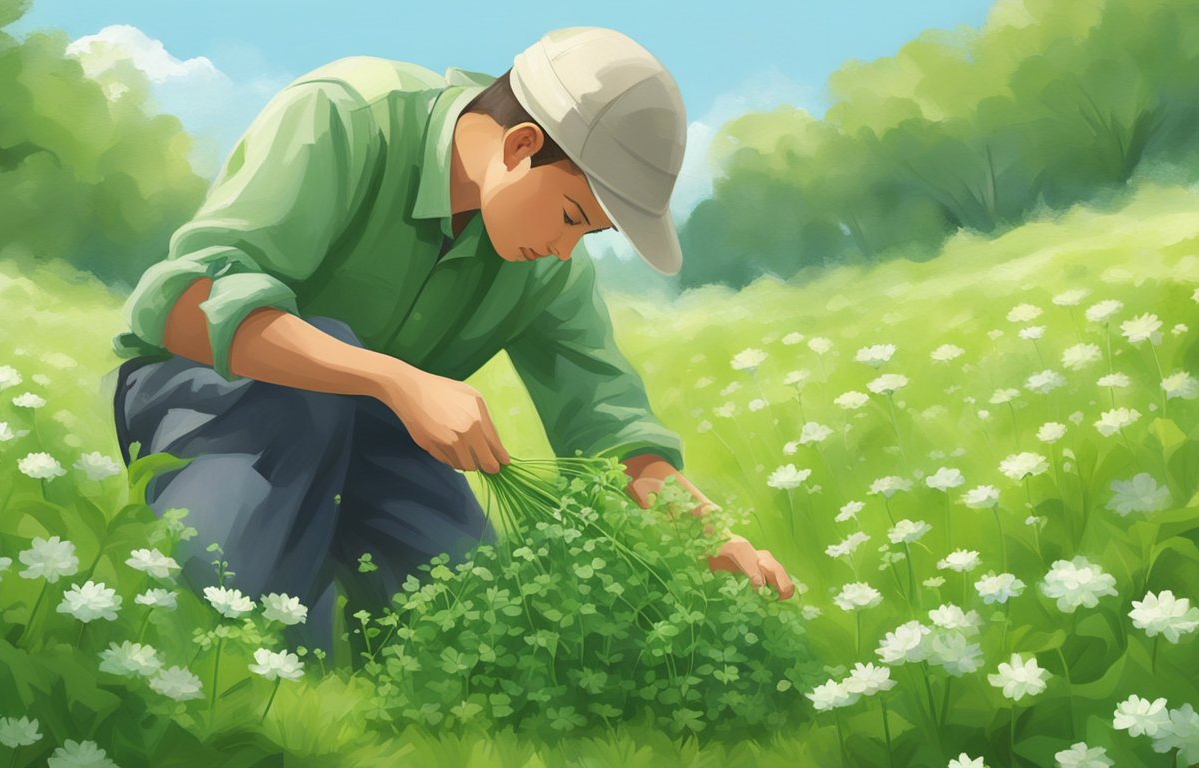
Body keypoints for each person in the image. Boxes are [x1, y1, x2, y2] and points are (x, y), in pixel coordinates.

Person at [104, 26, 794, 665]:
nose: (561, 248)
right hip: (214, 399)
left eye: (587, 236)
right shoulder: (346, 115)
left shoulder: (545, 267)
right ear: (522, 146)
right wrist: (396, 382)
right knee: (251, 633)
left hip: (375, 434)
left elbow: (609, 427)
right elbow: (184, 305)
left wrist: (708, 536)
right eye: (569, 216)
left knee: (472, 629)